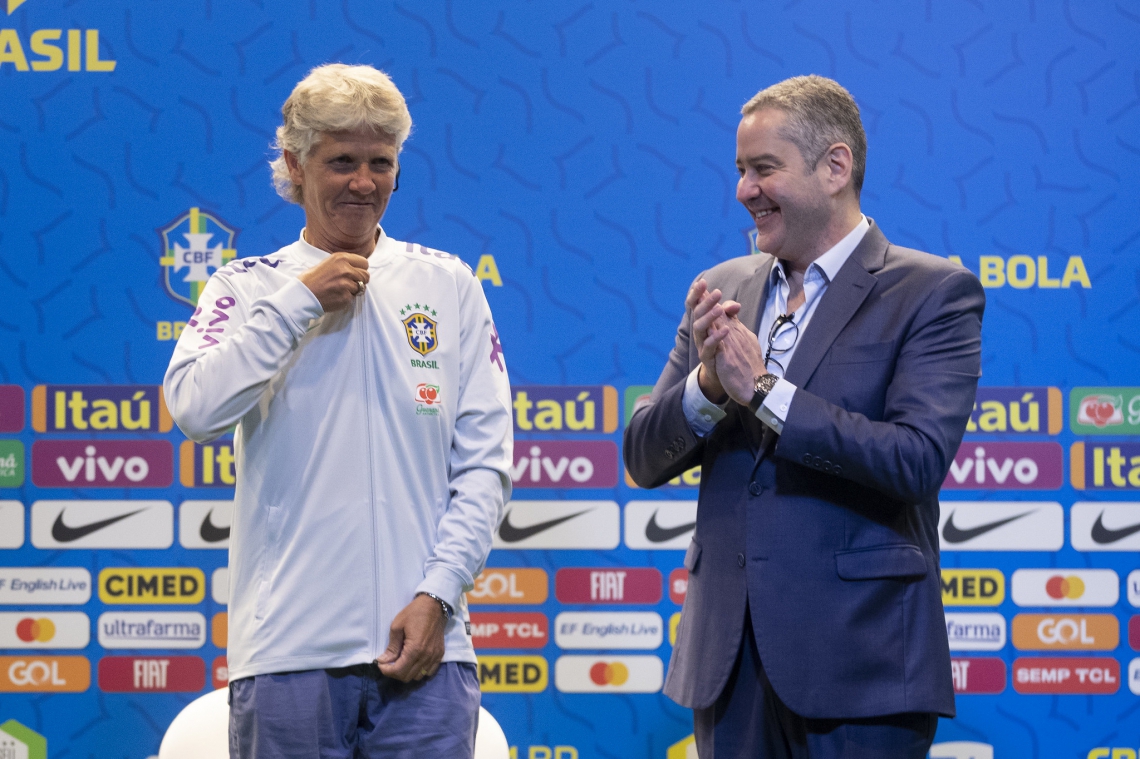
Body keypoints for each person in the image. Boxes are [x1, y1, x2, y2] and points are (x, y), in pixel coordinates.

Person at [624, 75, 984, 758]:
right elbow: (643, 455)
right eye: (740, 171)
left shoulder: (932, 292)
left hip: (864, 664)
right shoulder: (722, 288)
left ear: (835, 166)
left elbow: (914, 459)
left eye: (764, 169)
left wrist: (762, 389)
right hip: (728, 666)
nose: (744, 190)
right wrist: (709, 384)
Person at [164, 63, 513, 758]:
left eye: (380, 162)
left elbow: (484, 467)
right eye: (342, 162)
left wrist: (438, 595)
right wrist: (297, 301)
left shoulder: (449, 285)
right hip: (286, 651)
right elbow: (194, 406)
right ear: (295, 166)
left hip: (426, 652)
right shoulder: (245, 284)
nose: (363, 182)